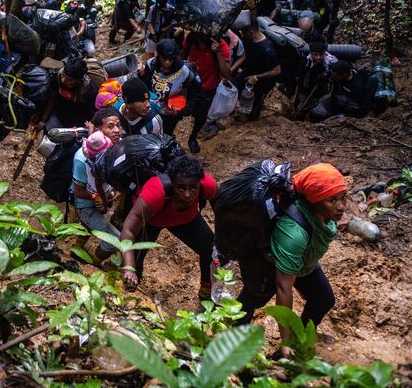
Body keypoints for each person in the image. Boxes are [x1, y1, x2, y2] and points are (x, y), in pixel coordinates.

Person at [237, 163, 348, 351]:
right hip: (267, 265)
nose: (341, 206)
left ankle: (298, 341)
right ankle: (232, 343)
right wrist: (284, 342)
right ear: (314, 201)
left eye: (342, 198)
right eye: (332, 200)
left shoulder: (323, 215)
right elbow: (283, 288)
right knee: (250, 304)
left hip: (302, 261)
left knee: (323, 299)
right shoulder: (294, 233)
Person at [120, 155, 219, 301]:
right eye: (181, 188)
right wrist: (129, 268)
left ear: (199, 183)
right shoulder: (155, 192)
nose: (187, 194)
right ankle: (133, 297)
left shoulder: (207, 184)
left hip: (187, 220)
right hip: (150, 222)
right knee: (134, 265)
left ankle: (206, 293)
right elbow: (128, 231)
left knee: (210, 250)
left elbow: (221, 208)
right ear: (172, 183)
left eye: (193, 188)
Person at [72, 109, 122, 264]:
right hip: (86, 206)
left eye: (118, 125)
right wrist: (100, 197)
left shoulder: (114, 147)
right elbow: (78, 191)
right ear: (100, 130)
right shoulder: (82, 159)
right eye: (111, 126)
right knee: (115, 239)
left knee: (88, 227)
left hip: (101, 200)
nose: (117, 130)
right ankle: (94, 263)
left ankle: (77, 249)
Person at [138, 39, 201, 137]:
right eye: (164, 58)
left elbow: (194, 96)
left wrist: (180, 112)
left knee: (166, 133)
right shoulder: (151, 64)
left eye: (171, 59)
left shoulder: (185, 72)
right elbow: (146, 86)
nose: (167, 62)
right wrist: (142, 76)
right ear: (159, 56)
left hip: (170, 113)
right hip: (151, 108)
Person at [183, 31, 231, 151]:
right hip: (189, 85)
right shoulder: (191, 38)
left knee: (201, 116)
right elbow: (181, 55)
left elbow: (227, 74)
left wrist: (218, 52)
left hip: (207, 88)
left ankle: (193, 137)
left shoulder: (220, 44)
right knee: (179, 112)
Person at [233, 21, 281, 121]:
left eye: (244, 34)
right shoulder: (251, 41)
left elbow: (277, 70)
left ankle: (251, 121)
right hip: (248, 72)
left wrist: (256, 77)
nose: (243, 36)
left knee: (254, 104)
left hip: (261, 81)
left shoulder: (267, 49)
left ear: (251, 32)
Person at [42, 57, 99, 131]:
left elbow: (93, 113)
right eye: (64, 76)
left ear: (79, 81)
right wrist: (43, 119)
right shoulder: (57, 77)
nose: (64, 80)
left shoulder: (90, 90)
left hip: (79, 121)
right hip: (59, 115)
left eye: (69, 80)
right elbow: (52, 97)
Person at [309, 61, 376, 123]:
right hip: (336, 99)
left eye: (335, 75)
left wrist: (344, 116)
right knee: (316, 111)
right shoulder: (339, 74)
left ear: (344, 74)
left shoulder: (356, 86)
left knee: (339, 100)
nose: (332, 77)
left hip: (352, 105)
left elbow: (364, 107)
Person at [294, 41, 337, 117]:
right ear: (311, 53)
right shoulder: (306, 59)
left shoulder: (331, 61)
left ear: (324, 52)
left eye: (321, 55)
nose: (318, 57)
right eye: (315, 55)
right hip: (307, 84)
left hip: (322, 88)